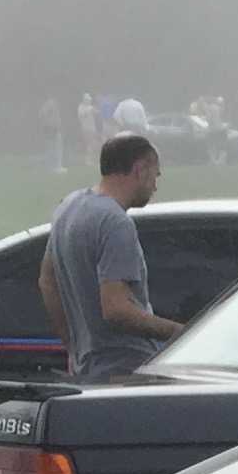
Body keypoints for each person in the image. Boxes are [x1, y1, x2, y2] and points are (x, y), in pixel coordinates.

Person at [42, 134, 181, 381]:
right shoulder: (115, 222)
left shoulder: (68, 207)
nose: (155, 186)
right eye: (155, 175)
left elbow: (47, 281)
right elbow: (116, 310)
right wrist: (182, 333)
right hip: (124, 368)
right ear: (139, 170)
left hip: (88, 367)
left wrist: (73, 346)